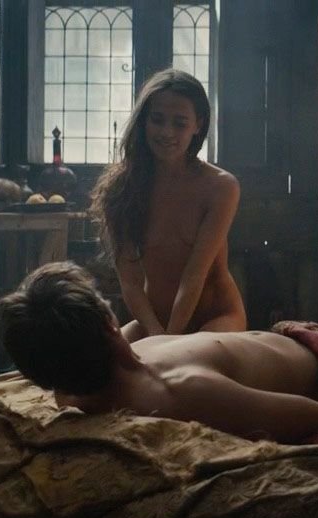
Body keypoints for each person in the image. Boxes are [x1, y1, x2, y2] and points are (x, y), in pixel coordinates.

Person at [0, 262, 318, 443]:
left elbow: (63, 374)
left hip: (296, 334)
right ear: (107, 327)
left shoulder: (83, 381)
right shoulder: (180, 391)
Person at [89, 68, 246, 342]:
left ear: (198, 125)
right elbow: (131, 283)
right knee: (104, 359)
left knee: (185, 360)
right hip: (154, 323)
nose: (166, 132)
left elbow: (194, 275)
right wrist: (156, 333)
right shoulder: (121, 189)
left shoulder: (221, 187)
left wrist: (170, 340)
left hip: (217, 318)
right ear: (144, 121)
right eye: (157, 120)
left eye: (180, 123)